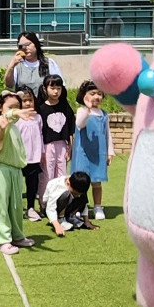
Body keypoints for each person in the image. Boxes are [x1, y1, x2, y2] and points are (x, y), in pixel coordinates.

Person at [0, 91, 37, 255]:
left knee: (17, 205)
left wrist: (17, 112)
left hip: (17, 170)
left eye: (18, 106)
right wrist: (17, 111)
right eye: (11, 107)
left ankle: (17, 235)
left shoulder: (15, 127)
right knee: (2, 204)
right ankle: (2, 240)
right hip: (3, 168)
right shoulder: (0, 122)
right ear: (0, 107)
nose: (16, 110)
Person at [72, 81, 115, 220]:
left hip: (98, 153)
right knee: (81, 182)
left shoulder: (104, 114)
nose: (96, 96)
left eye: (99, 93)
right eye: (92, 94)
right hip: (82, 152)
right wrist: (88, 109)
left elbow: (107, 134)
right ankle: (80, 207)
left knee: (97, 182)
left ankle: (97, 207)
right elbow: (80, 123)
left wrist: (110, 152)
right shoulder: (82, 111)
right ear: (84, 96)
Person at [37, 74, 75, 205]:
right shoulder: (41, 108)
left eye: (58, 88)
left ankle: (60, 203)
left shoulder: (65, 107)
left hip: (63, 145)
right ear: (45, 88)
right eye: (52, 88)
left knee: (62, 174)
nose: (55, 91)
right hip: (47, 146)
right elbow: (39, 132)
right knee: (47, 174)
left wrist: (70, 147)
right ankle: (44, 203)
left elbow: (71, 129)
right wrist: (40, 151)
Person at [2, 31, 62, 98]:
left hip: (44, 105)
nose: (26, 48)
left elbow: (59, 85)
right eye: (22, 45)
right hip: (24, 105)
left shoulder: (49, 63)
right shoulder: (17, 65)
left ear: (36, 44)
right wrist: (11, 66)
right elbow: (9, 85)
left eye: (28, 44)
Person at [16, 87, 45, 221]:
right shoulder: (16, 119)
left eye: (30, 100)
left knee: (32, 184)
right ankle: (15, 208)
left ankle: (31, 208)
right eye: (24, 100)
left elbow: (40, 135)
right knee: (16, 184)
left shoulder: (38, 117)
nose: (28, 103)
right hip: (19, 157)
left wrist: (42, 153)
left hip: (34, 157)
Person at [42, 171, 94, 235]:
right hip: (50, 209)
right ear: (68, 183)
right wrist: (57, 226)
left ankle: (70, 217)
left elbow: (84, 203)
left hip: (68, 207)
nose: (78, 196)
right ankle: (61, 219)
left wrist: (87, 221)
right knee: (66, 194)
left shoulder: (77, 183)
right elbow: (50, 208)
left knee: (83, 194)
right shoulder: (56, 185)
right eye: (76, 193)